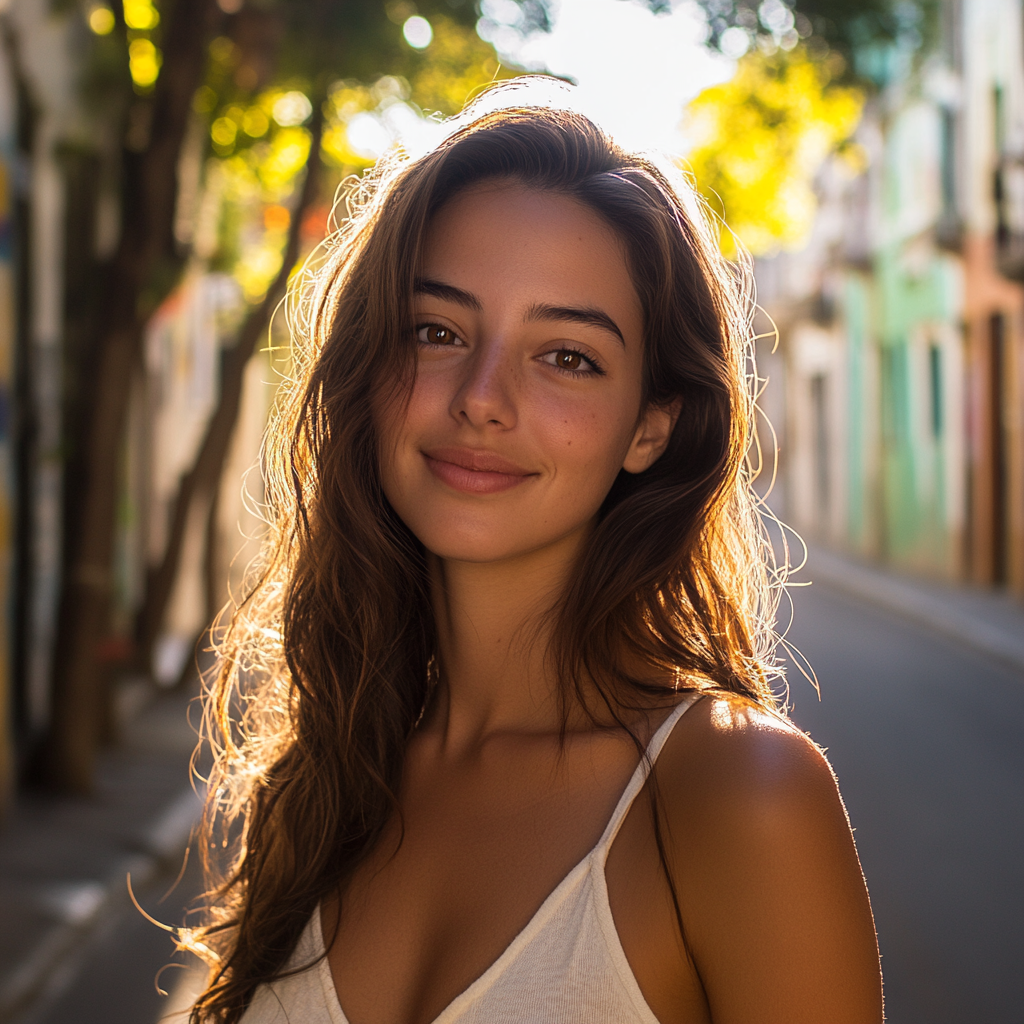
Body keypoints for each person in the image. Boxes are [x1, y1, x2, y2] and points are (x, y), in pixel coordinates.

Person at [187, 92, 883, 1024]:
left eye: (567, 356)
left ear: (650, 425)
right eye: (437, 332)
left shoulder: (739, 796)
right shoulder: (325, 775)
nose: (482, 397)